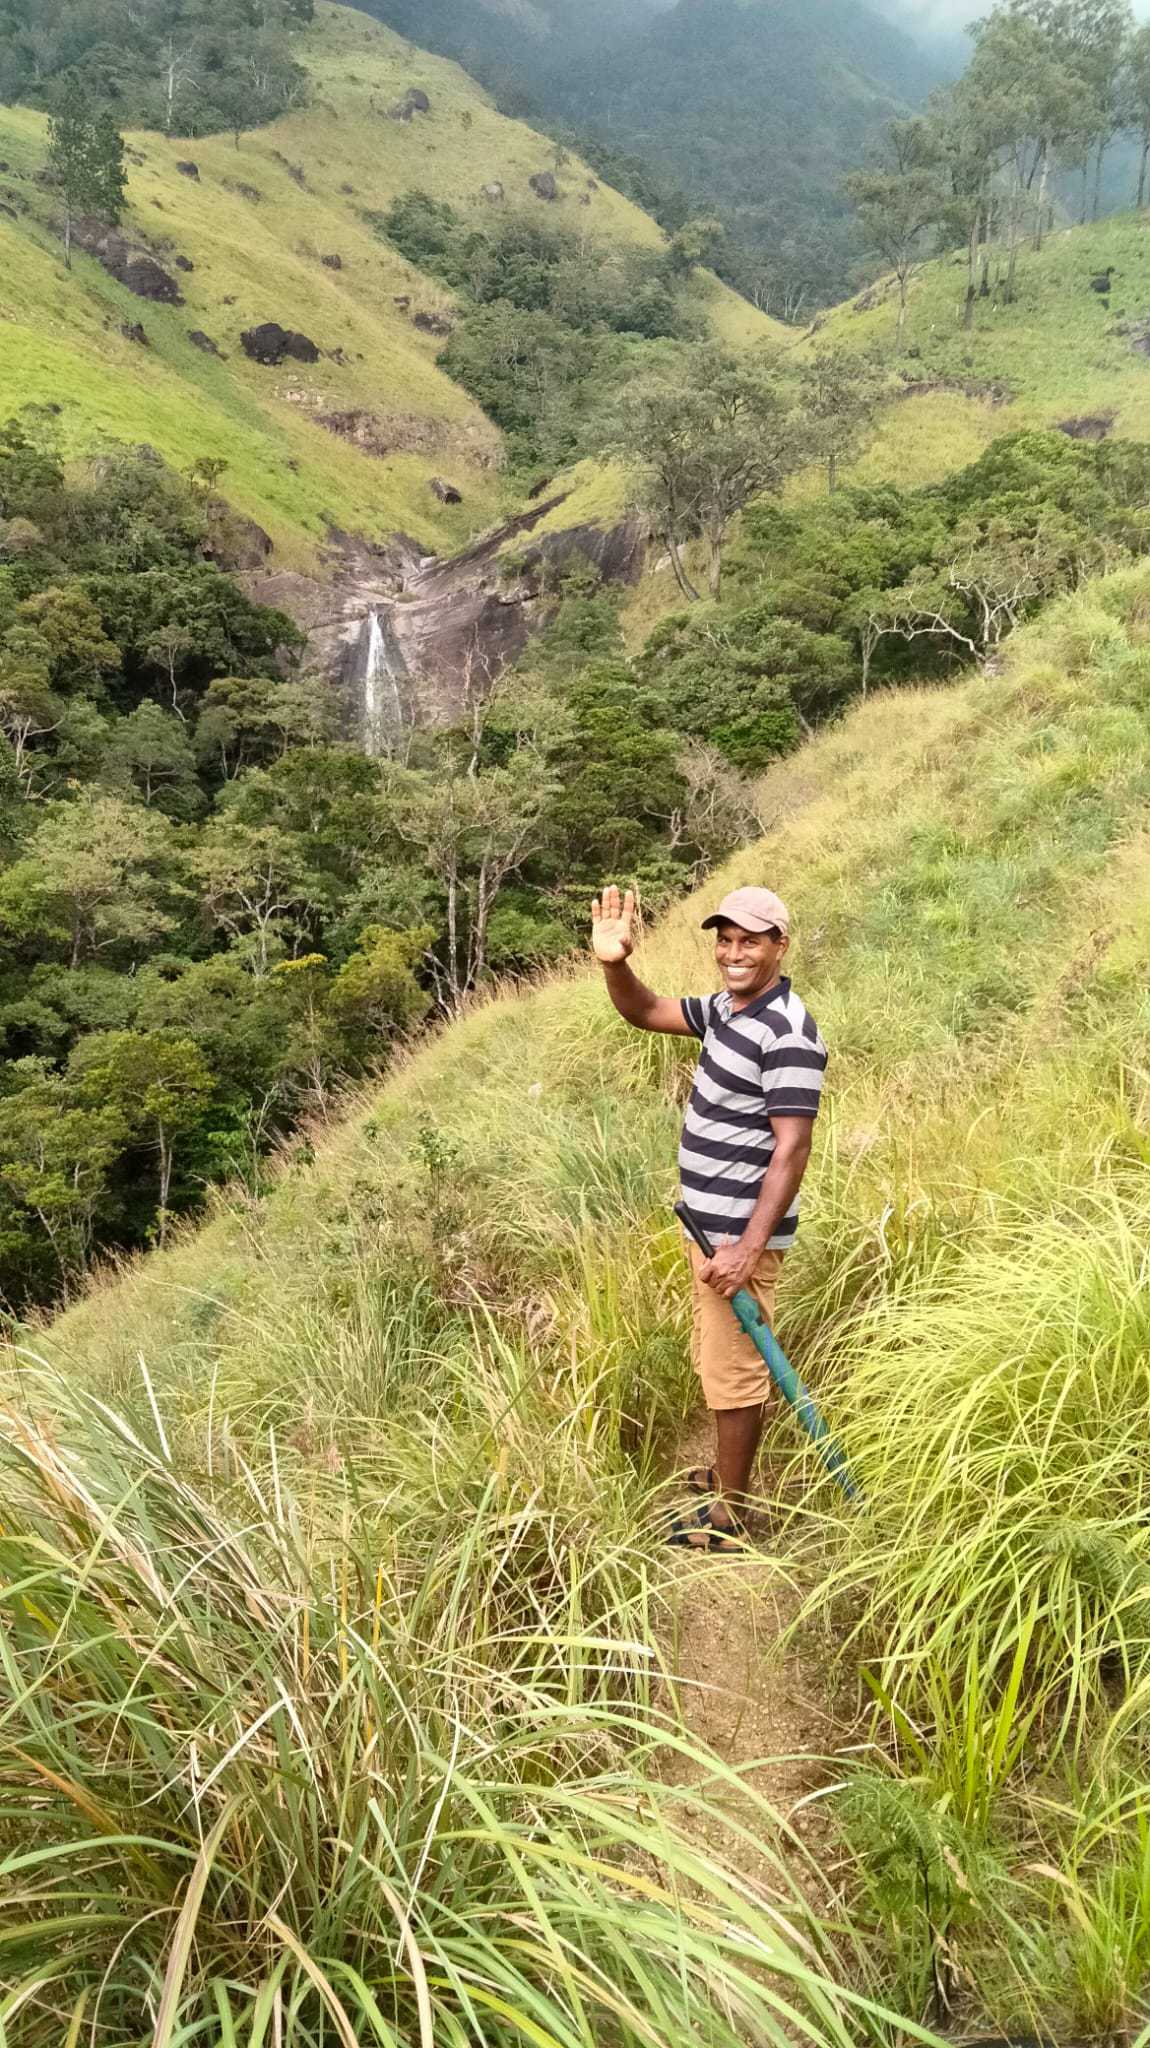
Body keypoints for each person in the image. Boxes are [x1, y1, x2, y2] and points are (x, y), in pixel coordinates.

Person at [590, 880, 828, 1552]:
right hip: (710, 1227)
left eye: (749, 940)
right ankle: (729, 1474)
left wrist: (749, 1249)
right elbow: (648, 1010)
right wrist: (615, 964)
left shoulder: (786, 1033)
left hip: (735, 1238)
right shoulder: (730, 1010)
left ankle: (731, 1513)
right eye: (725, 940)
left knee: (735, 1368)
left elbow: (793, 1147)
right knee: (720, 1357)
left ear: (780, 945)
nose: (732, 952)